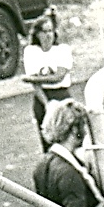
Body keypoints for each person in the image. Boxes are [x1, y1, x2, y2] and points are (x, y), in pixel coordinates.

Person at [23, 13, 74, 154]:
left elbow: (58, 77)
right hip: (43, 97)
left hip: (62, 94)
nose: (48, 35)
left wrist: (33, 79)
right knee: (47, 140)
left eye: (50, 31)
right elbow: (36, 86)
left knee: (68, 138)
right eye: (44, 31)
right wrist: (46, 104)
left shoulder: (62, 50)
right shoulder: (31, 51)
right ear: (37, 34)